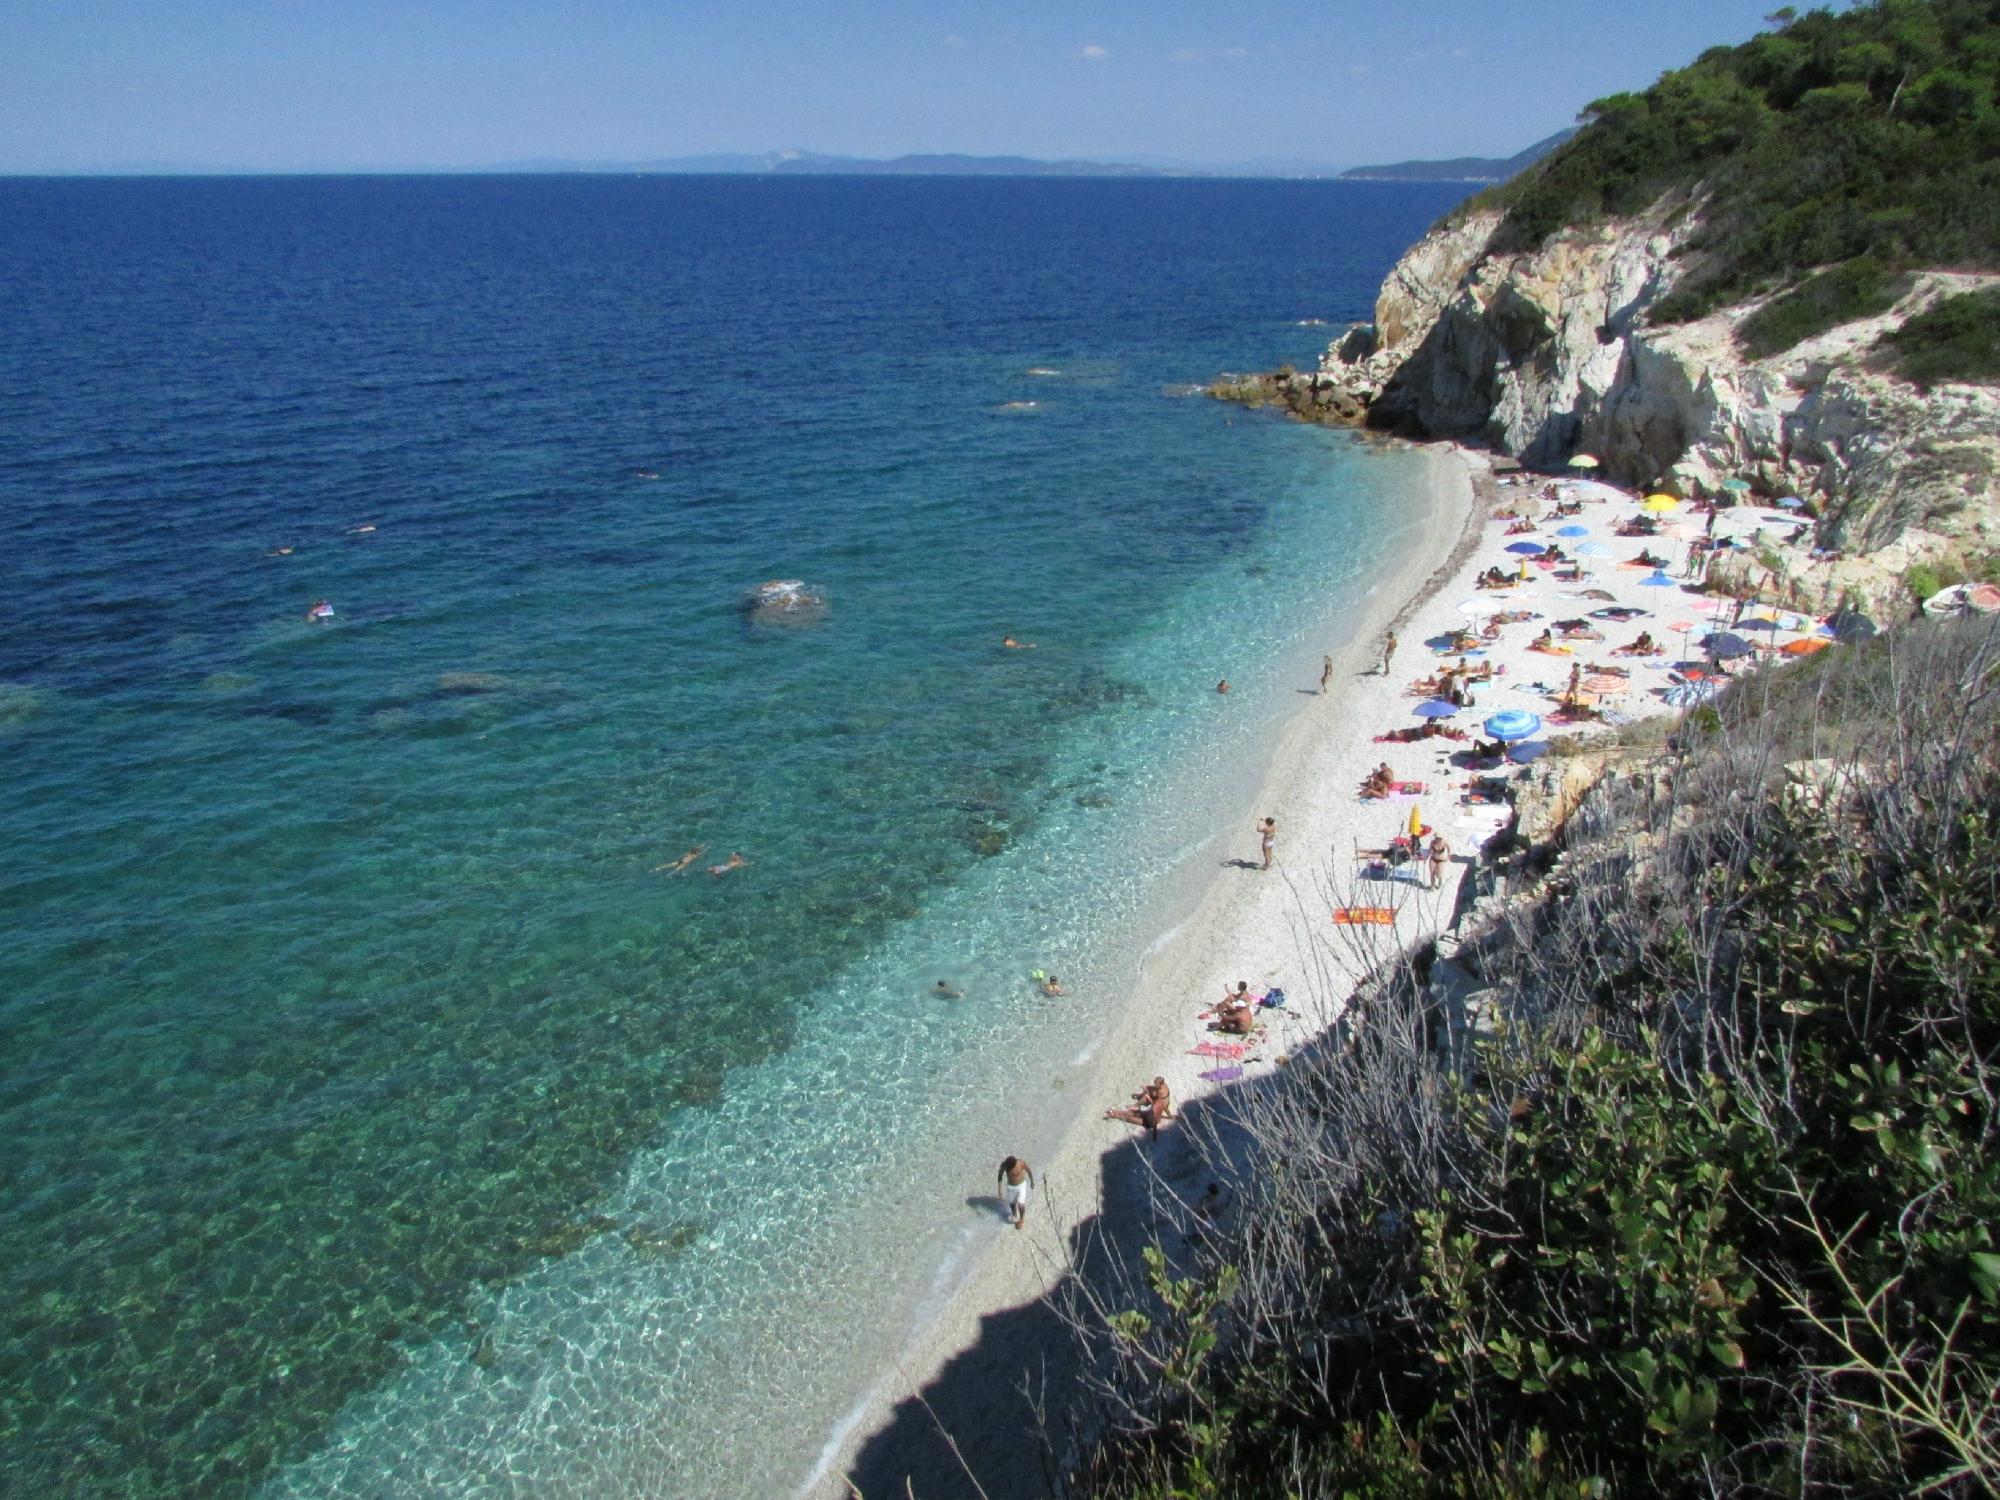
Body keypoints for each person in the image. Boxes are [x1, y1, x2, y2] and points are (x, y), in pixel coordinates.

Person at [1104, 1077, 1172, 1139]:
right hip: (1148, 1115)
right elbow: (1165, 1108)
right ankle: (1114, 1111)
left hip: (1148, 1122)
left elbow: (1155, 1122)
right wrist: (1170, 1116)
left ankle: (1113, 1115)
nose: (1154, 1085)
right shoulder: (1159, 1100)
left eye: (1155, 1084)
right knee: (1131, 1113)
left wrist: (1154, 1135)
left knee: (1129, 1118)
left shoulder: (1157, 1105)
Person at [997, 1156, 1035, 1230]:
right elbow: (1000, 1176)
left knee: (1021, 1205)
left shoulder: (1020, 1163)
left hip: (1021, 1186)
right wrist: (999, 1191)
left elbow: (1029, 1170)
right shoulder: (1004, 1165)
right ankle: (1015, 1215)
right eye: (1008, 1167)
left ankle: (1021, 1219)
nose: (1009, 1169)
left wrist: (1032, 1182)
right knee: (1012, 1204)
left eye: (1010, 1168)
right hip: (1011, 1187)